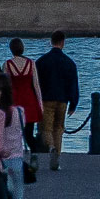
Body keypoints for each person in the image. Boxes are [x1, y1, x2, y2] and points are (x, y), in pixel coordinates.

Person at [38, 34, 80, 169]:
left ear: (51, 42)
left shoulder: (41, 62)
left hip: (46, 99)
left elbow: (36, 84)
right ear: (63, 42)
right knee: (58, 129)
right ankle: (57, 157)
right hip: (62, 100)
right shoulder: (69, 63)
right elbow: (73, 85)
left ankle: (50, 148)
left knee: (46, 129)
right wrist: (73, 103)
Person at [1, 38, 44, 166]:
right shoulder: (31, 63)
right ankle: (34, 153)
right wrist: (40, 103)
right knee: (29, 133)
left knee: (14, 132)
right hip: (29, 100)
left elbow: (5, 86)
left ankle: (16, 158)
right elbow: (36, 85)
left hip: (14, 101)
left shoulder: (7, 64)